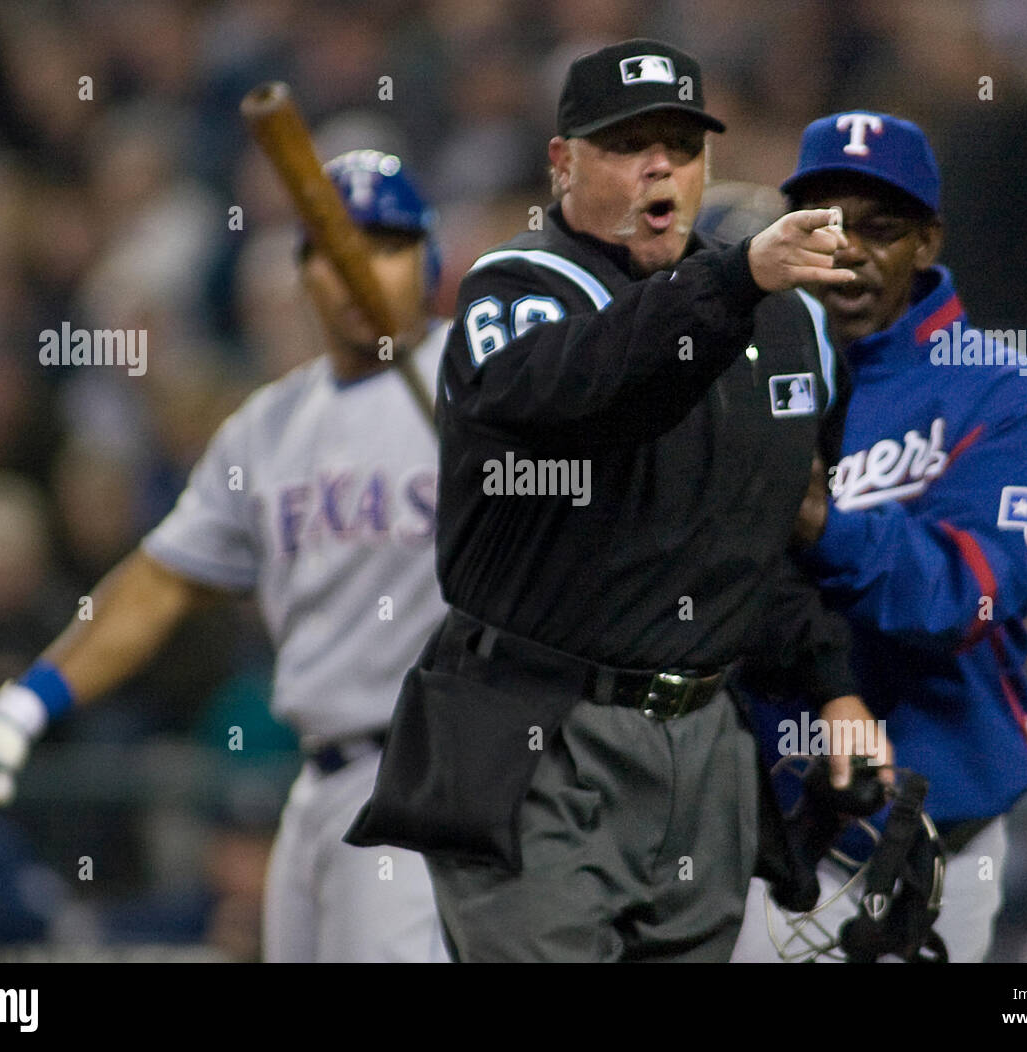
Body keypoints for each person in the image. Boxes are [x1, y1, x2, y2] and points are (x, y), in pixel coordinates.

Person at [346, 39, 890, 963]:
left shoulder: (789, 320)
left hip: (702, 747)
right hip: (536, 731)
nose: (659, 166)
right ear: (562, 164)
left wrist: (833, 684)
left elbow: (755, 545)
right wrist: (731, 279)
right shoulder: (516, 290)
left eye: (680, 145)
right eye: (626, 144)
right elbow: (590, 394)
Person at [0, 149, 450, 963]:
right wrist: (29, 701)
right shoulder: (269, 425)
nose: (360, 270)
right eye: (336, 248)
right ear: (304, 272)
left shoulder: (479, 384)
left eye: (386, 246)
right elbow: (160, 583)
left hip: (432, 778)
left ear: (431, 260)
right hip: (315, 783)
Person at [730, 112, 1027, 962]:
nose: (851, 251)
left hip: (934, 822)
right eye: (830, 225)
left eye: (882, 229)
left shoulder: (1002, 392)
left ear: (927, 239)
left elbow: (967, 592)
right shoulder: (748, 374)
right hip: (763, 819)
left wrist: (822, 522)